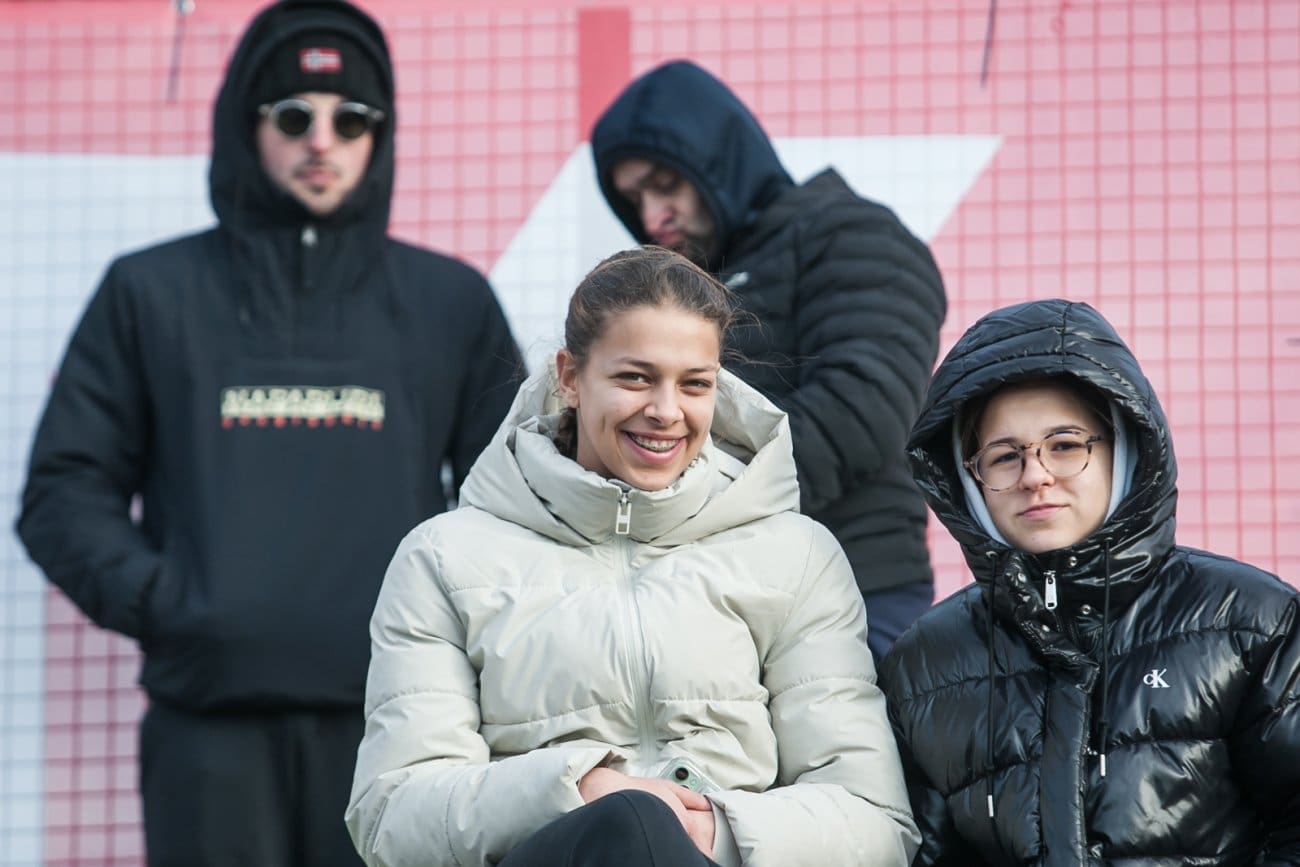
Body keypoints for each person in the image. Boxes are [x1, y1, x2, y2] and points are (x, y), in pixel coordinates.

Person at [16, 1, 522, 864]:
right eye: (293, 115)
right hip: (207, 730)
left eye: (350, 118)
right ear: (245, 127)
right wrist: (175, 605)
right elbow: (63, 493)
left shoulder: (450, 303)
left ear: (380, 134)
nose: (322, 141)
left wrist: (452, 640)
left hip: (396, 731)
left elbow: (516, 503)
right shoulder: (150, 292)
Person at [345, 246, 919, 867]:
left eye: (694, 384)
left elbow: (875, 821)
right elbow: (393, 818)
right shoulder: (442, 558)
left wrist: (710, 830)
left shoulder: (798, 555)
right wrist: (581, 790)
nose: (666, 412)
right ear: (569, 377)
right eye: (635, 378)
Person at [878, 298, 1300, 865]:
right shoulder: (924, 664)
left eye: (1065, 445)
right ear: (968, 480)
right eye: (1003, 457)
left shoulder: (1252, 622)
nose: (1035, 475)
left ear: (1123, 450)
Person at [590, 59, 947, 662]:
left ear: (719, 158)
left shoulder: (852, 233)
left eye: (666, 183)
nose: (652, 216)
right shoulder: (675, 289)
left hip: (852, 588)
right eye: (635, 198)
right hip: (712, 597)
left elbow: (863, 413)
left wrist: (684, 499)